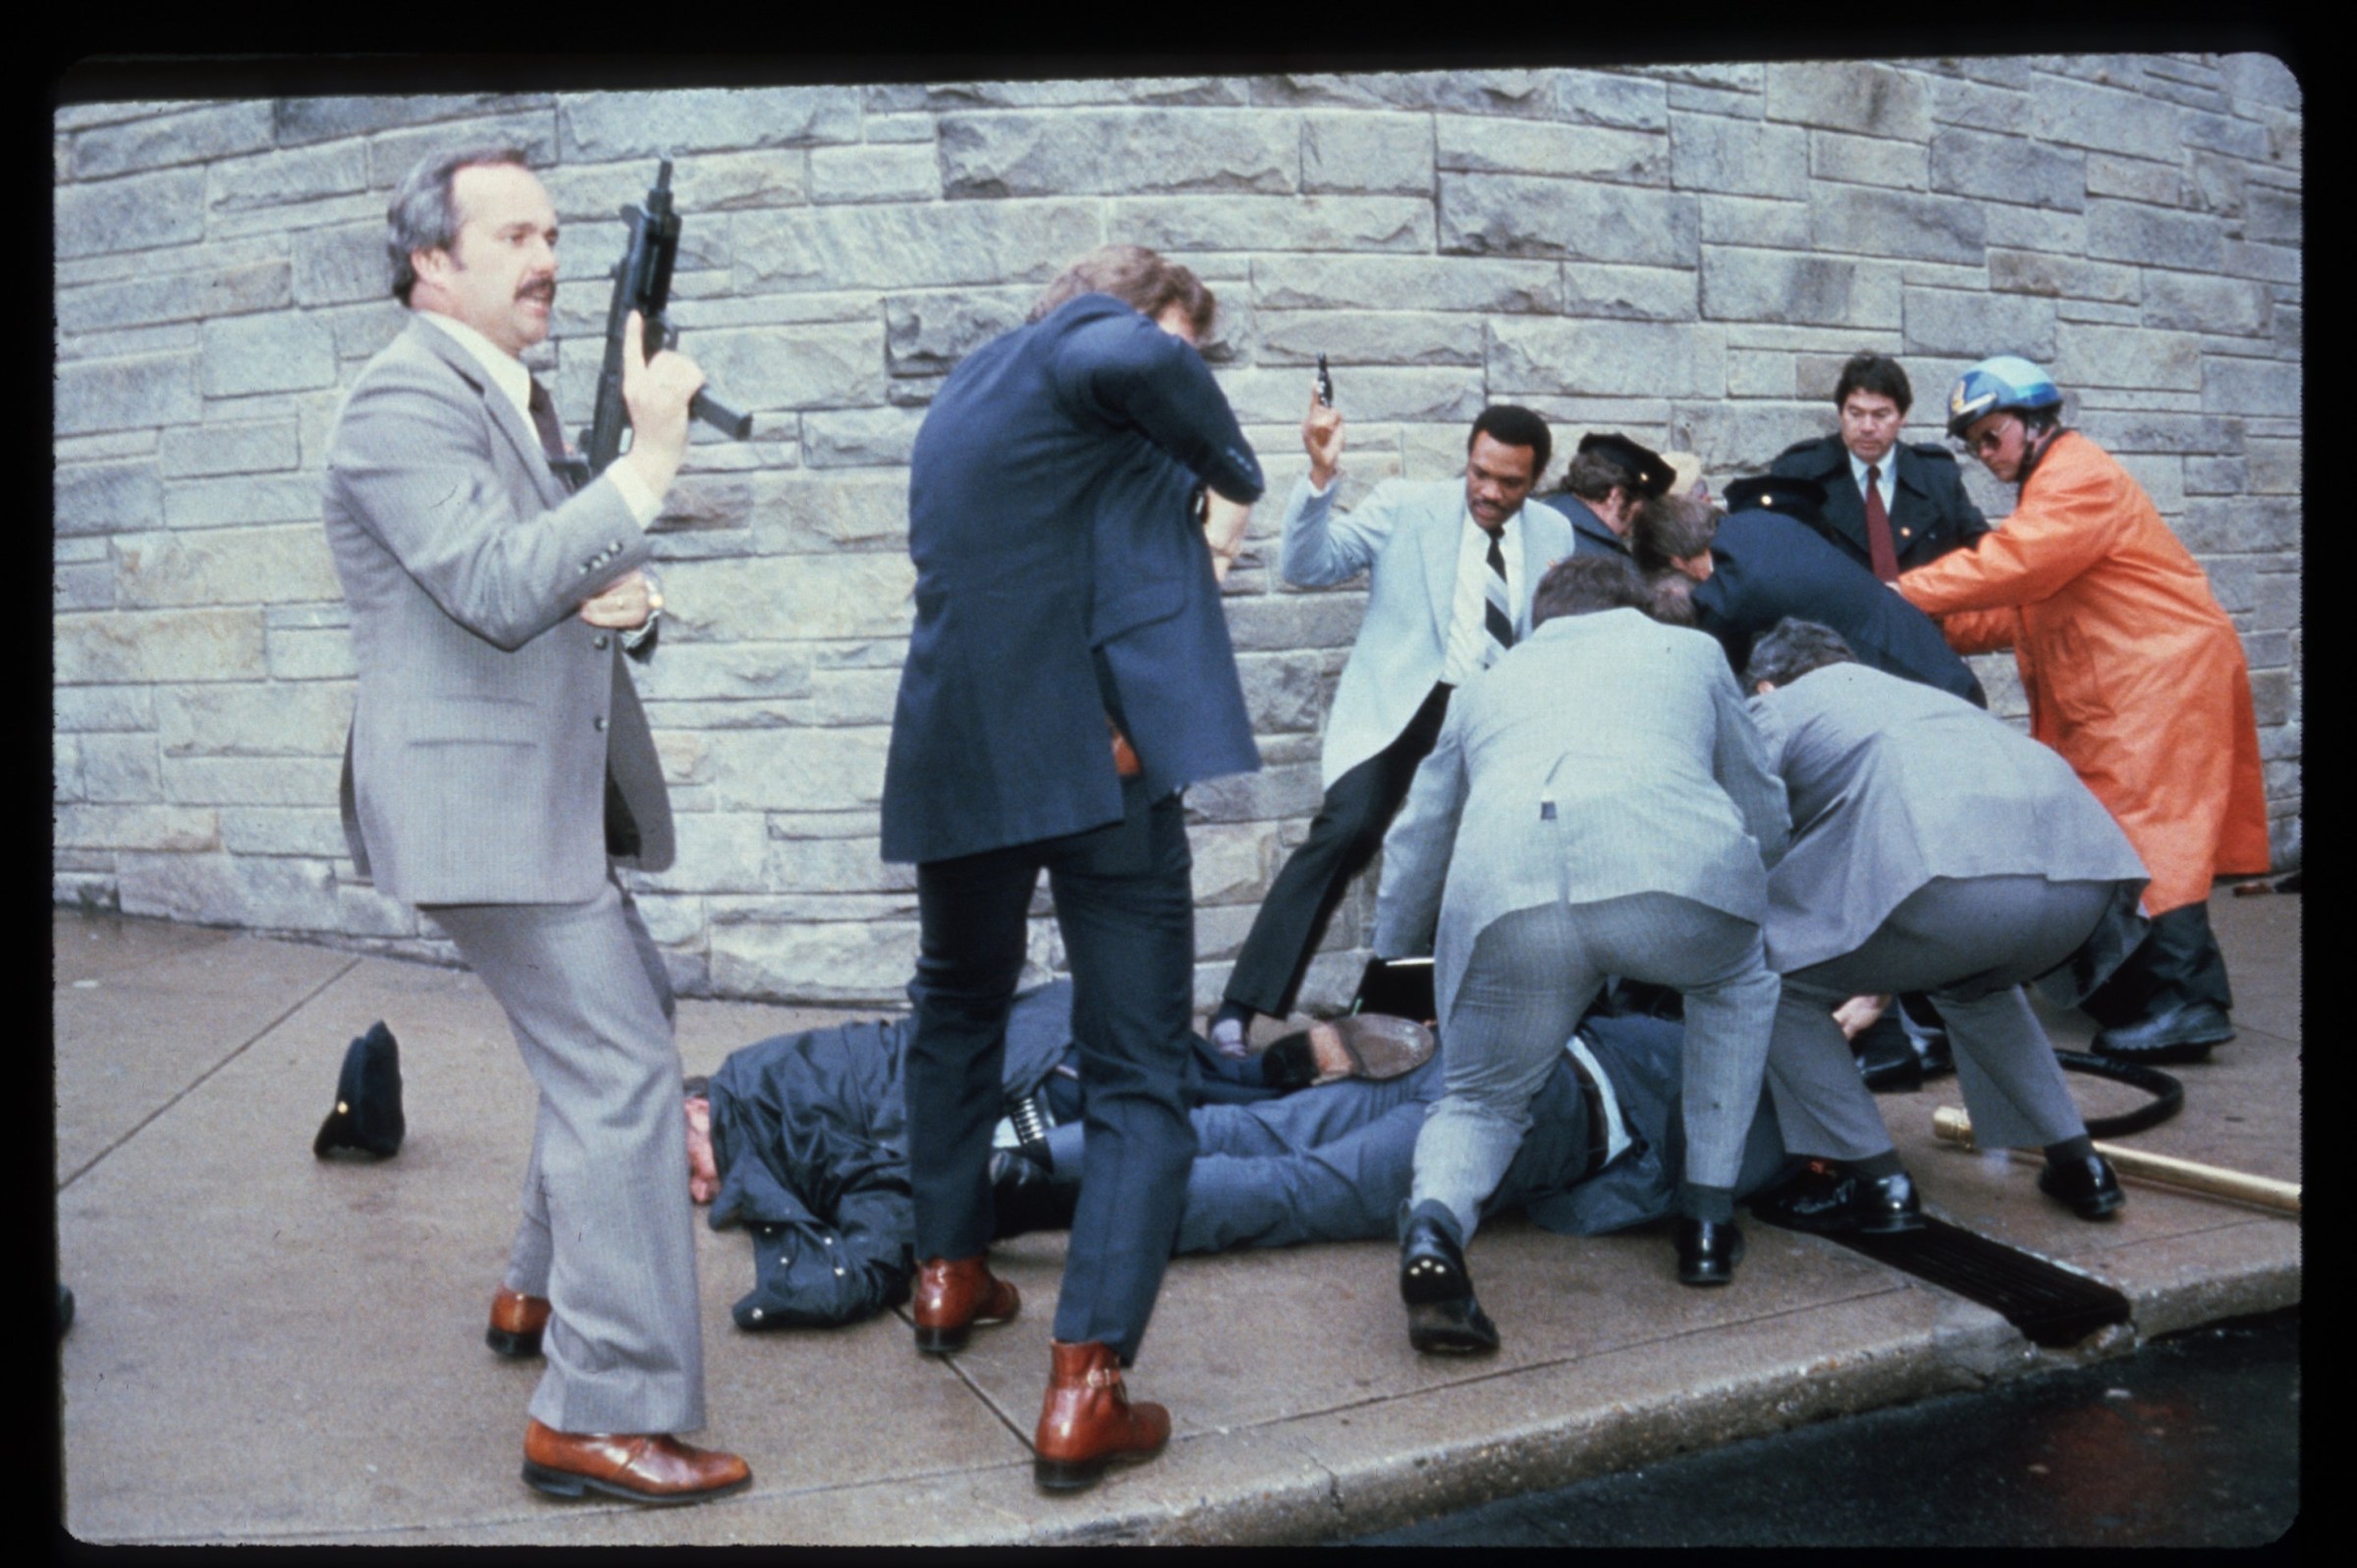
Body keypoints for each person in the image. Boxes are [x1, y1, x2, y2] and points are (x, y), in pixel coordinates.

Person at [321, 146, 748, 1505]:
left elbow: (564, 573)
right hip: (481, 807)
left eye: (553, 232)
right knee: (623, 1076)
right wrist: (652, 466)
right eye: (513, 234)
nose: (546, 255)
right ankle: (594, 1414)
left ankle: (536, 1292)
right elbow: (497, 582)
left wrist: (630, 598)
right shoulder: (400, 399)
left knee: (613, 1040)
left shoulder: (505, 392)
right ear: (430, 262)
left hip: (536, 795)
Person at [878, 243, 1266, 1492]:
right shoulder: (1092, 349)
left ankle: (946, 1271)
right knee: (1140, 1071)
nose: (1181, 372)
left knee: (956, 1004)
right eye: (1184, 348)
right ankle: (1086, 1386)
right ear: (1131, 317)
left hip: (960, 751)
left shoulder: (969, 397)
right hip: (1094, 767)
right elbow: (1122, 349)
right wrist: (1233, 463)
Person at [1373, 552, 1789, 1354]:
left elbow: (1419, 836)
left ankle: (1433, 1231)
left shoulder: (1485, 684)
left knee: (1480, 1099)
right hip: (1674, 878)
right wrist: (1763, 865)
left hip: (1508, 891)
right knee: (1734, 986)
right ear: (1633, 604)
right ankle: (1706, 1221)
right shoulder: (1693, 651)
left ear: (1540, 618)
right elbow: (1757, 791)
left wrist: (1391, 963)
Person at [1898, 356, 2272, 1064]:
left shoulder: (2075, 475)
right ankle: (2141, 993)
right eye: (1974, 443)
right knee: (2115, 835)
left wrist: (1896, 595)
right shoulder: (2053, 489)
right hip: (2134, 686)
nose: (1984, 454)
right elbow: (2023, 609)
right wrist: (1933, 629)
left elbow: (2013, 565)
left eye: (1990, 435)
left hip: (2159, 681)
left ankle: (2190, 1004)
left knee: (2152, 836)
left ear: (2035, 422)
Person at [1741, 621, 2151, 1231]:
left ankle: (1873, 1182)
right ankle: (2080, 1166)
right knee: (1973, 986)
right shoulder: (1919, 695)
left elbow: (1737, 822)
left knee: (1770, 980)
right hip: (2081, 883)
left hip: (1952, 889)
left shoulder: (1778, 707)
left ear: (1767, 684)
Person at [1204, 402, 1574, 1056]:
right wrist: (1321, 475)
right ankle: (1241, 1008)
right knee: (1344, 831)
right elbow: (1308, 563)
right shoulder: (1405, 504)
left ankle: (1420, 1018)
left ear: (1536, 478)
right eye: (1479, 473)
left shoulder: (1554, 534)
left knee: (1490, 859)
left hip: (1498, 713)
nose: (1489, 491)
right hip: (1411, 704)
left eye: (1509, 482)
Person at [1632, 478, 1985, 707]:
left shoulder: (1732, 591)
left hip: (1919, 689)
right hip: (1931, 659)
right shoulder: (1760, 524)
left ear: (1677, 561)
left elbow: (1718, 680)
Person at [1768, 352, 1987, 579]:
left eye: (1880, 415)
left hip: (1919, 612)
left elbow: (1981, 556)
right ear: (1840, 413)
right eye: (1855, 413)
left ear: (1903, 416)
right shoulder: (1798, 475)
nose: (1867, 427)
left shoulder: (1937, 478)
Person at [1535, 430, 1676, 558]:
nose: (1629, 532)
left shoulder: (1534, 519)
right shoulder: (1608, 562)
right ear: (1614, 496)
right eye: (1635, 516)